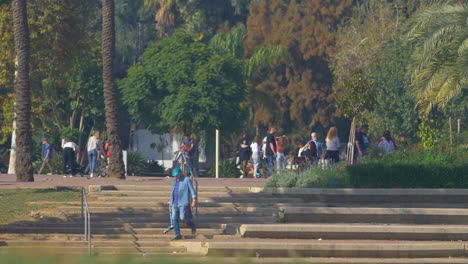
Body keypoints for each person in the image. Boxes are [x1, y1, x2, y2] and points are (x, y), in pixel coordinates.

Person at [170, 166, 197, 240]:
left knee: (183, 217)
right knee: (174, 218)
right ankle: (178, 234)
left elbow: (192, 190)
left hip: (183, 202)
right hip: (174, 203)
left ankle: (192, 224)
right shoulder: (175, 181)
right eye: (175, 176)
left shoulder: (186, 180)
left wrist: (194, 200)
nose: (176, 177)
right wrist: (171, 201)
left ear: (180, 173)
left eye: (177, 175)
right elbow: (173, 191)